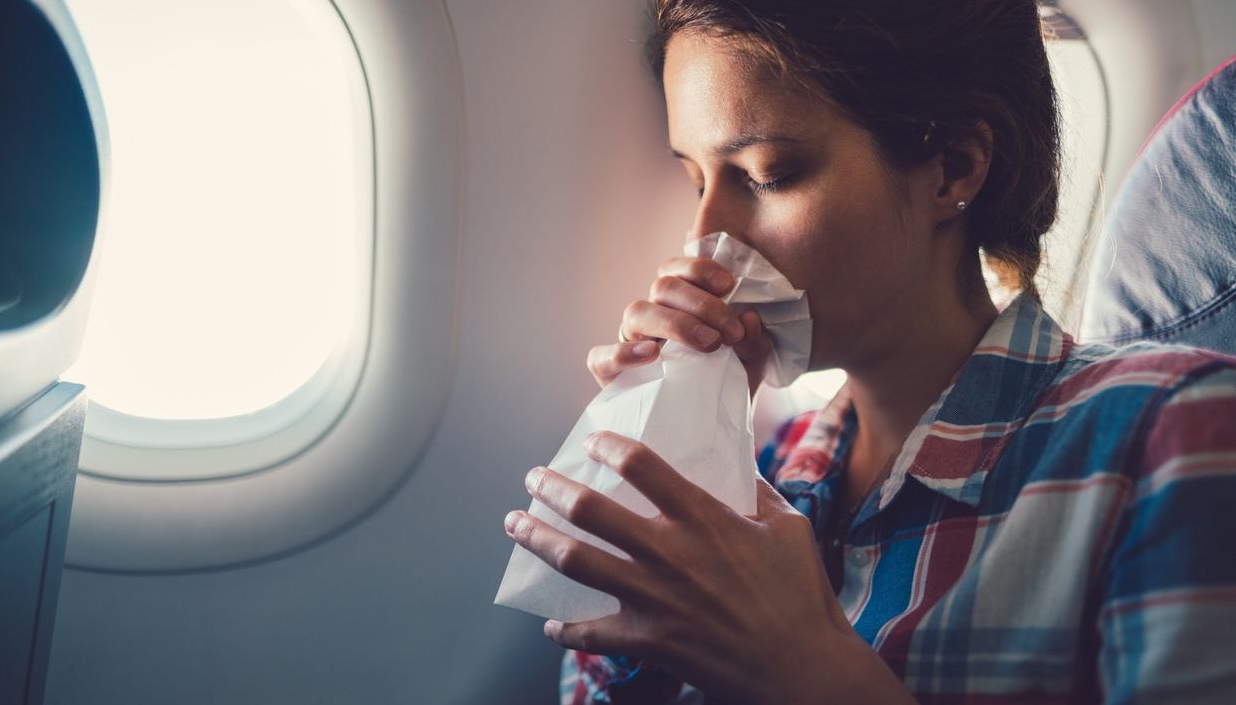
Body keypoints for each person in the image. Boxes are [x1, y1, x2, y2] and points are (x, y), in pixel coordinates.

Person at [501, 1, 1236, 702]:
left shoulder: (1170, 435)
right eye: (695, 180)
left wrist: (805, 669)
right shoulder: (761, 473)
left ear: (952, 168)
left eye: (767, 175)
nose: (704, 240)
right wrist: (670, 438)